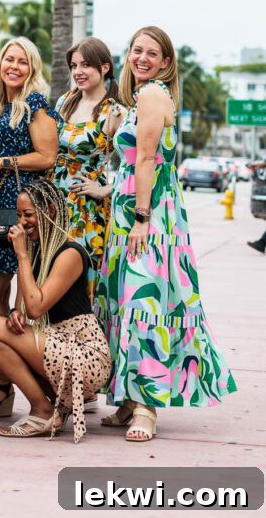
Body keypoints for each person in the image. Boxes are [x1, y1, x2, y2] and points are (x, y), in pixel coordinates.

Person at [95, 26, 237, 443]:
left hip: (148, 216)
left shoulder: (153, 94)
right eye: (136, 50)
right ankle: (126, 397)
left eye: (151, 53)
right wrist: (110, 190)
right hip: (132, 210)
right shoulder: (138, 99)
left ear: (165, 63)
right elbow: (131, 163)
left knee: (146, 302)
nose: (141, 57)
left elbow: (150, 161)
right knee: (124, 301)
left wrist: (141, 216)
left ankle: (146, 406)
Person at [0, 179, 111, 442]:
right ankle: (55, 404)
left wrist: (21, 255)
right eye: (19, 215)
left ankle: (43, 409)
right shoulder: (36, 253)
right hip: (55, 344)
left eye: (29, 214)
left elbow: (35, 308)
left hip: (85, 352)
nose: (21, 222)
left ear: (50, 211)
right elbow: (24, 310)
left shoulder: (70, 252)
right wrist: (14, 313)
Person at [0, 37, 60, 417]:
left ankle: (12, 385)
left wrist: (4, 162)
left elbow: (47, 156)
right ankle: (4, 381)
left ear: (32, 68)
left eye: (23, 62)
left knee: (6, 297)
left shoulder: (35, 105)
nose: (15, 67)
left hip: (17, 214)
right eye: (9, 59)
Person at [53, 38, 123, 301]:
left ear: (105, 67)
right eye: (74, 65)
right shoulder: (65, 102)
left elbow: (138, 162)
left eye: (86, 65)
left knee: (79, 284)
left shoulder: (115, 111)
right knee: (48, 277)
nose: (78, 71)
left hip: (86, 211)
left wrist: (105, 189)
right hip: (53, 203)